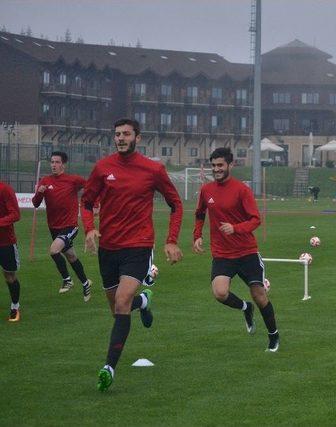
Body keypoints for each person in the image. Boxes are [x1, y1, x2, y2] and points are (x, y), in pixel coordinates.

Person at [81, 118, 183, 391]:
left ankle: (109, 367)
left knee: (122, 301)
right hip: (108, 248)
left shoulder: (153, 169)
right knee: (117, 308)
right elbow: (87, 202)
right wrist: (90, 229)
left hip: (138, 246)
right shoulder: (103, 168)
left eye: (126, 134)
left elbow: (176, 203)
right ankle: (144, 302)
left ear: (138, 137)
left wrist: (171, 240)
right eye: (117, 134)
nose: (121, 138)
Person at [193, 147, 279, 352]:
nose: (217, 169)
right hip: (222, 254)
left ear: (231, 165)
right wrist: (197, 236)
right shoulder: (206, 190)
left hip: (247, 251)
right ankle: (245, 307)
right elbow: (199, 214)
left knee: (259, 293)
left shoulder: (242, 190)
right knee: (220, 293)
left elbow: (255, 219)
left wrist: (235, 228)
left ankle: (273, 335)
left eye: (220, 165)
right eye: (214, 166)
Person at [32, 151, 92, 301]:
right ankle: (86, 284)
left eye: (57, 162)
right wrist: (39, 193)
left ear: (63, 164)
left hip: (70, 225)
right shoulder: (45, 181)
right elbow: (35, 203)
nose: (54, 165)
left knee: (54, 251)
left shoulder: (72, 180)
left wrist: (94, 203)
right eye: (52, 162)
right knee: (71, 256)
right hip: (54, 227)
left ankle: (67, 280)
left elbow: (90, 187)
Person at [0, 180, 21, 322]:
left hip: (5, 242)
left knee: (9, 275)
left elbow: (15, 214)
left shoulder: (5, 189)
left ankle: (15, 306)